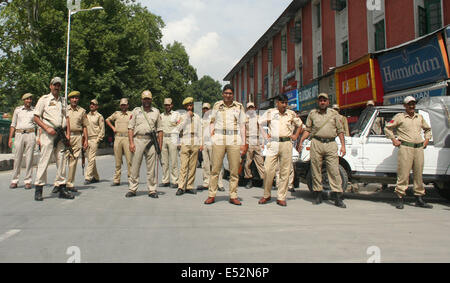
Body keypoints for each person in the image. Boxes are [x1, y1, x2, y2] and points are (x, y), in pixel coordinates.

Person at [298, 93, 347, 208]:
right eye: (320, 100)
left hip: (331, 143)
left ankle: (338, 197)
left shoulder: (334, 114)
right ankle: (318, 195)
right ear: (318, 102)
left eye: (324, 100)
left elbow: (340, 130)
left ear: (328, 102)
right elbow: (308, 129)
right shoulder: (312, 114)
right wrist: (301, 141)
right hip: (316, 143)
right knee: (315, 169)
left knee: (334, 170)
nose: (322, 102)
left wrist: (343, 146)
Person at [384, 96, 433, 210]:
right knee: (403, 174)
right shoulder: (400, 117)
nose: (411, 106)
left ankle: (419, 198)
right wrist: (394, 140)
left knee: (418, 174)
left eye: (413, 104)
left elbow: (428, 129)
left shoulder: (419, 117)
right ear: (405, 106)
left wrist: (426, 140)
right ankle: (400, 197)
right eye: (409, 104)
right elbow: (388, 127)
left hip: (418, 148)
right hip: (406, 147)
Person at [204, 84, 247, 205]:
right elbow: (212, 122)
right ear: (223, 94)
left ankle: (233, 195)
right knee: (215, 168)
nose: (228, 95)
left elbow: (243, 125)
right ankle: (212, 194)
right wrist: (212, 136)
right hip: (219, 138)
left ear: (233, 95)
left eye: (230, 93)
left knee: (234, 169)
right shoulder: (217, 105)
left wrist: (244, 143)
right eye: (226, 93)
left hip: (233, 138)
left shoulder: (239, 106)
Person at [33, 77, 74, 201]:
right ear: (50, 86)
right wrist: (46, 128)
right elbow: (35, 117)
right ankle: (39, 188)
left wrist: (68, 134)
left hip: (60, 134)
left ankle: (62, 187)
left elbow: (67, 118)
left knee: (61, 161)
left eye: (59, 85)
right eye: (55, 85)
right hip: (48, 133)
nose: (57, 87)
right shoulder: (44, 99)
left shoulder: (63, 100)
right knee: (44, 160)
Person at [258, 94, 303, 206]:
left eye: (286, 103)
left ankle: (281, 197)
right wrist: (265, 135)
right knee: (268, 170)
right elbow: (259, 122)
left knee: (285, 171)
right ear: (277, 103)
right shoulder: (271, 112)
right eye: (282, 102)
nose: (284, 105)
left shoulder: (291, 114)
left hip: (286, 143)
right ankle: (266, 195)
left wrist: (296, 135)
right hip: (273, 143)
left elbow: (300, 125)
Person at [125, 90, 163, 198]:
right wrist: (131, 143)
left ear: (151, 100)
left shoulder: (156, 112)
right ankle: (132, 188)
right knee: (135, 166)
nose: (146, 101)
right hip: (138, 140)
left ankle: (152, 189)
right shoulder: (136, 111)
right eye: (145, 99)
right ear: (141, 100)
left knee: (151, 167)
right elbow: (130, 128)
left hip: (151, 141)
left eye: (148, 99)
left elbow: (160, 130)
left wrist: (159, 145)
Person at [58, 91, 88, 193]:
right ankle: (59, 183)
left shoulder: (82, 111)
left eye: (76, 98)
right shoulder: (64, 109)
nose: (75, 100)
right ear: (69, 99)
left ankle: (70, 184)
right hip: (65, 136)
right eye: (73, 98)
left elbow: (85, 126)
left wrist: (86, 140)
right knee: (62, 160)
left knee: (73, 161)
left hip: (77, 136)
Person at [174, 97, 202, 195]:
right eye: (188, 106)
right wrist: (186, 117)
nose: (190, 107)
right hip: (185, 140)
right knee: (183, 165)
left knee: (193, 165)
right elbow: (178, 128)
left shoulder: (197, 117)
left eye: (191, 105)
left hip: (195, 141)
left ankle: (189, 185)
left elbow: (200, 130)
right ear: (185, 107)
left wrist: (201, 143)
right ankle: (181, 186)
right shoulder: (182, 116)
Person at [9, 93, 36, 190]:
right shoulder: (18, 110)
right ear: (23, 100)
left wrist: (39, 137)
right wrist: (10, 138)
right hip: (19, 134)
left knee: (29, 159)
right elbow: (13, 124)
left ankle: (28, 180)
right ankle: (14, 180)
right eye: (27, 99)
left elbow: (39, 124)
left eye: (30, 99)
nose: (29, 101)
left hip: (30, 134)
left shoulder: (34, 111)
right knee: (17, 158)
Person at [197, 103, 225, 192]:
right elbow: (200, 133)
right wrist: (200, 144)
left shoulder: (215, 119)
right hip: (205, 144)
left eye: (207, 109)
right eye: (204, 109)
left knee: (216, 164)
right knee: (205, 165)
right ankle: (206, 182)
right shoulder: (202, 120)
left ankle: (219, 184)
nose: (205, 110)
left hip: (213, 143)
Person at [106, 98, 132, 186]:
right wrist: (113, 128)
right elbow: (107, 120)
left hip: (127, 138)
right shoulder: (116, 114)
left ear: (128, 105)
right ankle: (117, 179)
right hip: (118, 138)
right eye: (122, 105)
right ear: (120, 106)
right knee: (118, 160)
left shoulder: (131, 114)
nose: (123, 106)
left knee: (129, 160)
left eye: (125, 105)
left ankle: (130, 179)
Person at [159, 98, 180, 188]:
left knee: (174, 160)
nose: (167, 107)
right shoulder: (161, 115)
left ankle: (175, 181)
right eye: (165, 105)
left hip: (173, 138)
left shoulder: (176, 114)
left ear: (172, 105)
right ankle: (165, 180)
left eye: (168, 105)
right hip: (163, 138)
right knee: (164, 161)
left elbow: (180, 126)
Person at [244, 102, 265, 189]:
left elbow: (261, 130)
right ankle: (249, 180)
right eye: (249, 108)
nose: (251, 109)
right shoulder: (244, 118)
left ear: (254, 108)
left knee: (260, 162)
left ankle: (265, 181)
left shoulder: (258, 118)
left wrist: (262, 142)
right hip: (248, 141)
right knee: (248, 163)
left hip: (256, 141)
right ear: (247, 109)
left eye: (252, 107)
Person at [84, 99, 105, 184]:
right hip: (87, 138)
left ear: (97, 106)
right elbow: (84, 127)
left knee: (91, 158)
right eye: (91, 104)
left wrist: (98, 139)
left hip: (94, 138)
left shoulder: (99, 116)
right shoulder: (86, 115)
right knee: (90, 159)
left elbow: (102, 129)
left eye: (94, 104)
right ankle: (96, 177)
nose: (91, 105)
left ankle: (88, 177)